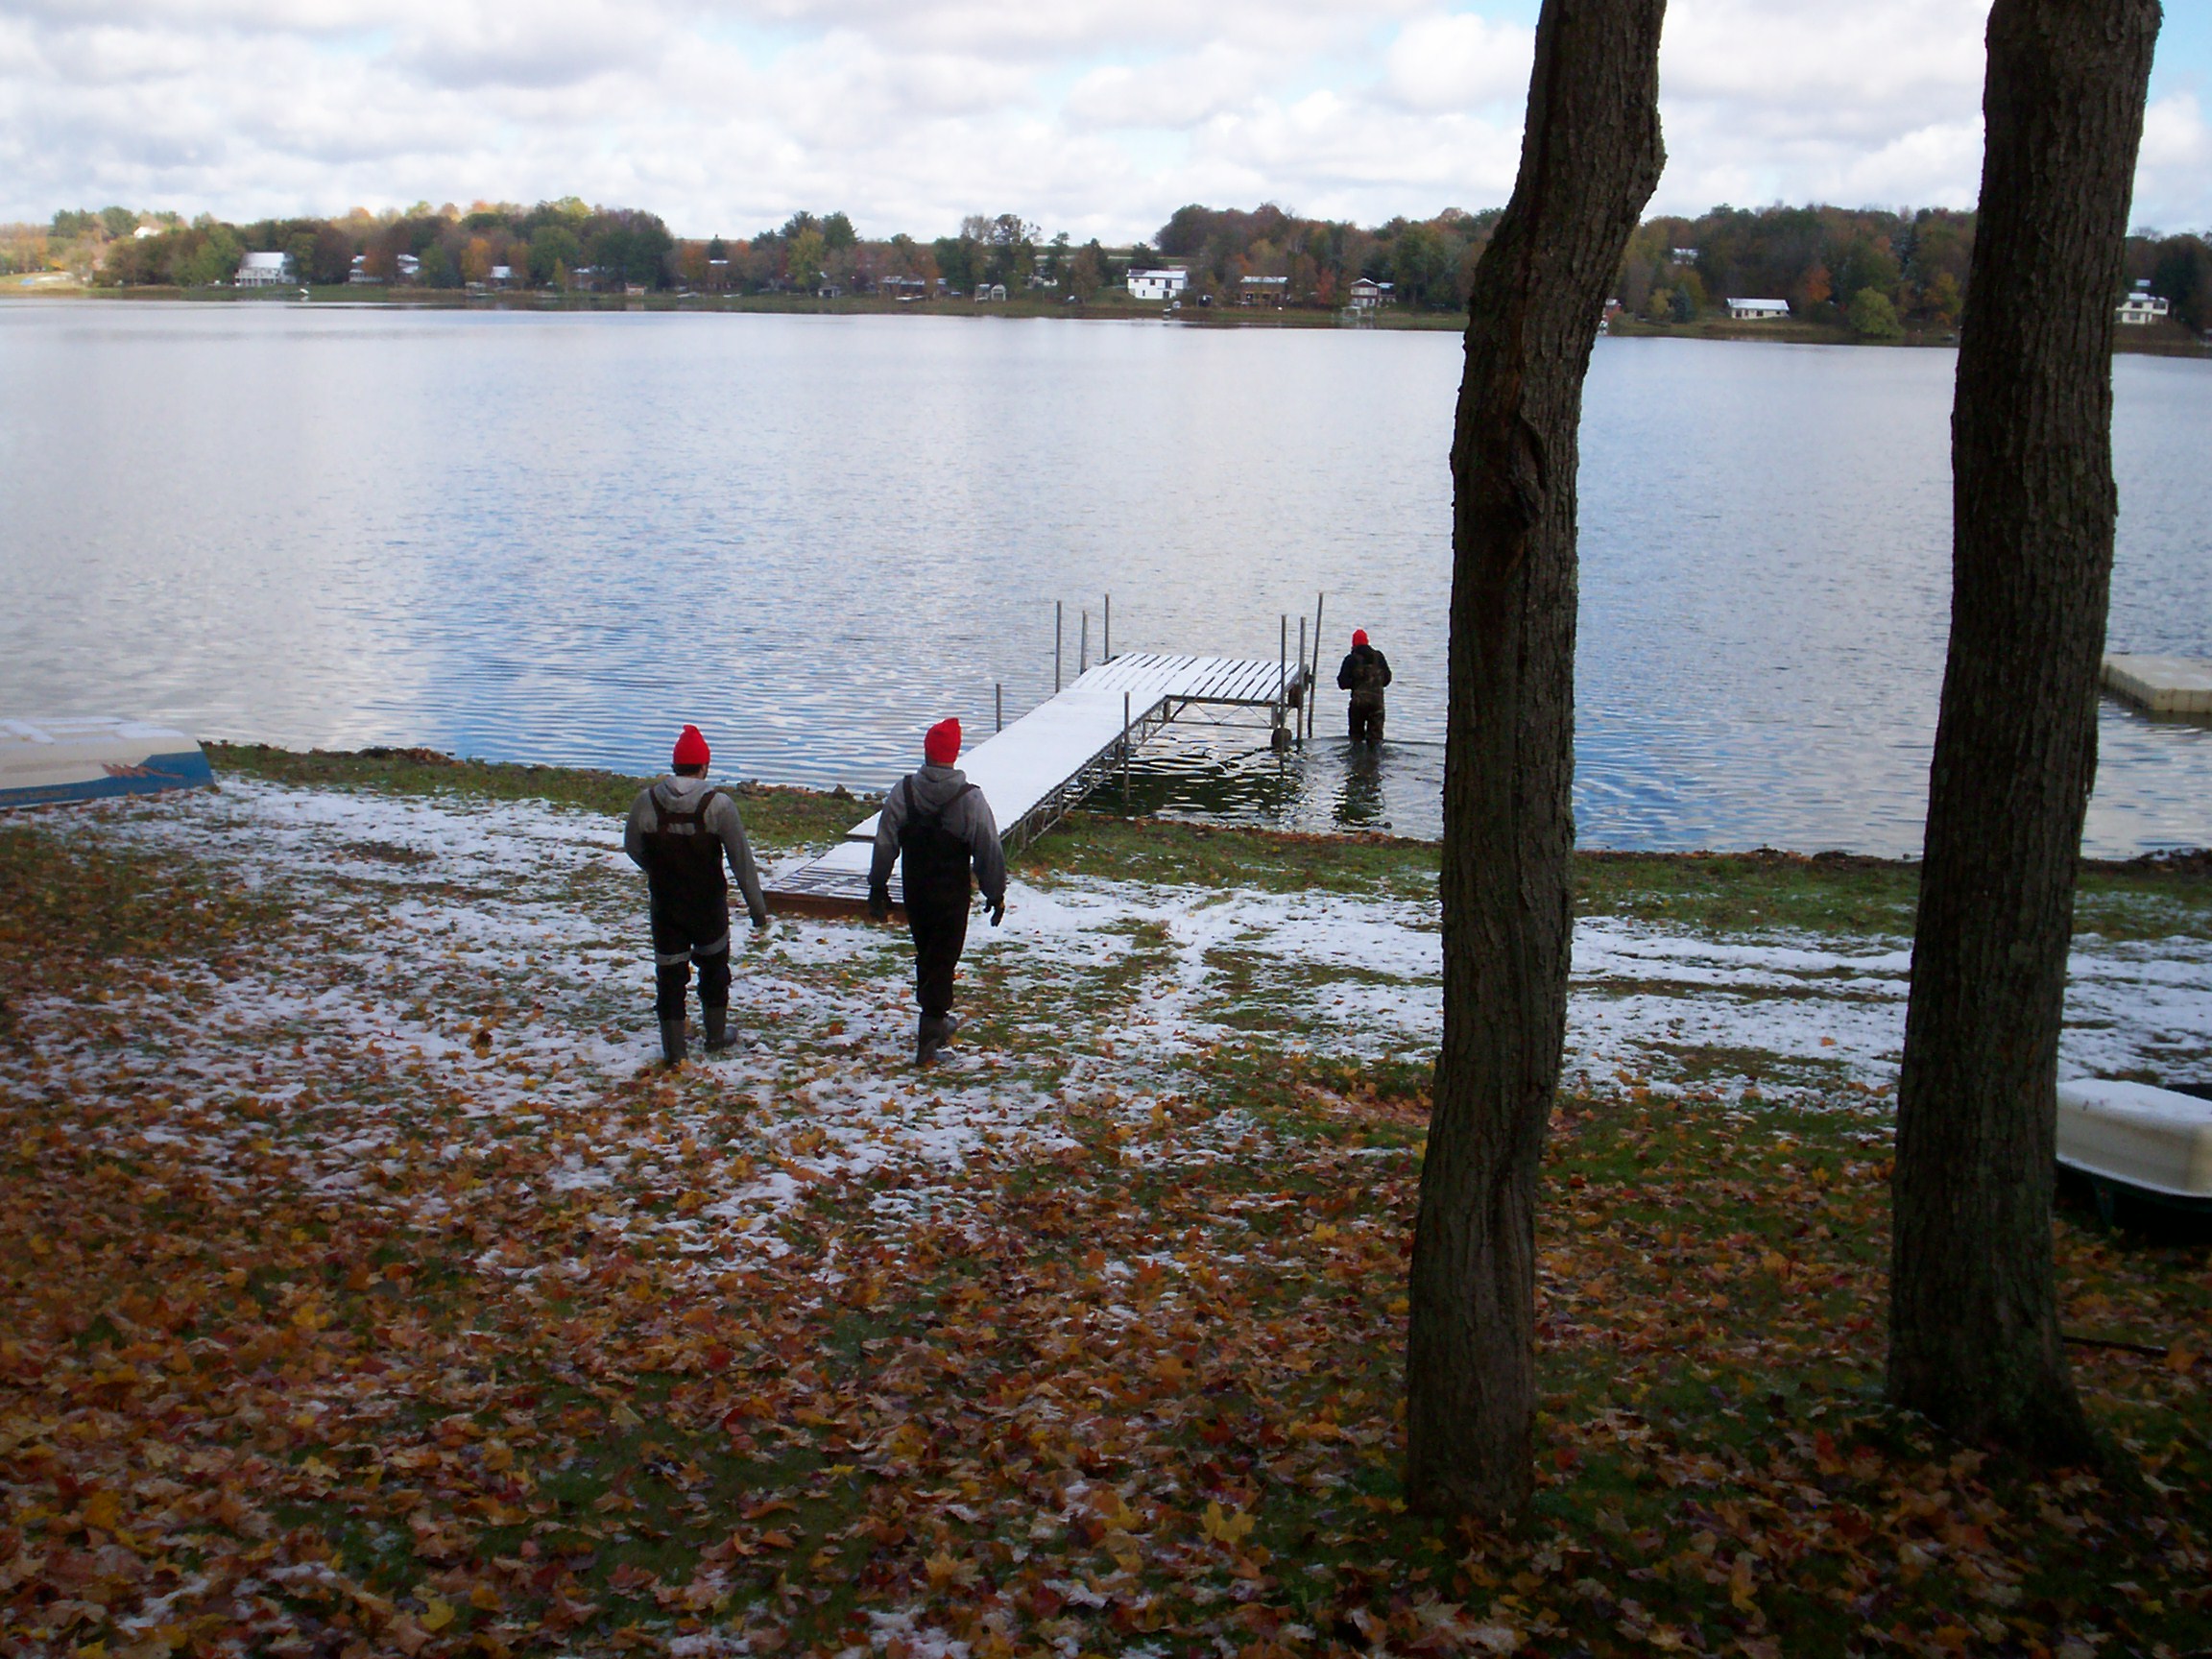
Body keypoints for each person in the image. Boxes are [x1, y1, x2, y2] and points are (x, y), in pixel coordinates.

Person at [624, 724, 768, 1066]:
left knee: (670, 975)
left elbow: (632, 847)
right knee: (714, 969)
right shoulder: (718, 805)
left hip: (665, 905)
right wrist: (757, 910)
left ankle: (675, 1052)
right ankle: (716, 1036)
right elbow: (741, 861)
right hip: (708, 906)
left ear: (675, 765)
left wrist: (657, 870)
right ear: (705, 765)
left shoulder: (646, 801)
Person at [867, 718, 1006, 1065]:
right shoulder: (970, 798)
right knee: (944, 957)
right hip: (952, 894)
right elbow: (988, 848)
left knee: (928, 952)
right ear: (954, 755)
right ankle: (928, 1043)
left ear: (927, 752)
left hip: (916, 890)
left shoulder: (905, 791)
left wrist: (878, 885)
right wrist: (995, 891)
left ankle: (937, 1021)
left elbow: (885, 841)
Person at [1336, 628, 1393, 744]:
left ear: (1353, 644)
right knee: (1376, 740)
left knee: (1356, 739)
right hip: (1377, 704)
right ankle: (1375, 759)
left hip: (1358, 704)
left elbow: (1342, 683)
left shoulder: (1351, 659)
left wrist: (1355, 684)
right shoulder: (1379, 657)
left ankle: (1357, 759)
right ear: (1367, 642)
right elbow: (1387, 679)